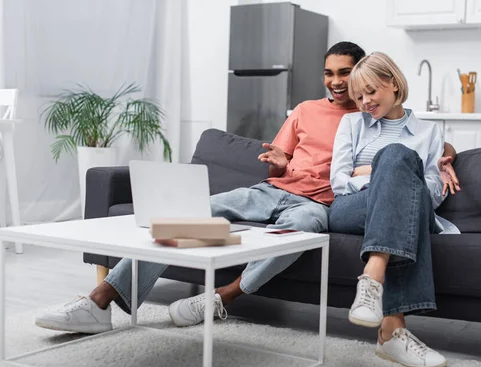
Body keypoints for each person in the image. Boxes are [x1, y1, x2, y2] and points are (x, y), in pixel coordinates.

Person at [34, 43, 459, 335]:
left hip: (318, 205)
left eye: (346, 74)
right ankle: (100, 300)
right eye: (329, 73)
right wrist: (280, 160)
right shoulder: (308, 111)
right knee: (188, 221)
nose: (337, 82)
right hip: (274, 188)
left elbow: (406, 154)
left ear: (367, 77)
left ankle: (223, 297)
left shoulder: (370, 118)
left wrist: (447, 153)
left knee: (302, 234)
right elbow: (285, 155)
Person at [328, 51, 461, 367]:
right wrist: (384, 178)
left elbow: (431, 193)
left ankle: (374, 287)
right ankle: (391, 334)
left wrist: (376, 172)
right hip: (351, 208)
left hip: (413, 208)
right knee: (395, 164)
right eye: (359, 96)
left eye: (371, 92)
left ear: (393, 83)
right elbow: (338, 181)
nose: (365, 102)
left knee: (397, 157)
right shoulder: (350, 123)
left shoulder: (429, 132)